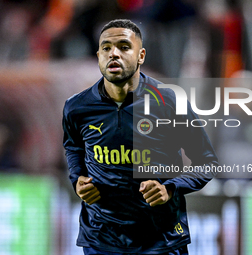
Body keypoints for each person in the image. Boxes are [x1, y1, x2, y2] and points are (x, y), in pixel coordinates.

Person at [63, 19, 218, 255]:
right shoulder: (76, 107)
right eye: (106, 48)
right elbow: (73, 147)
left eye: (124, 46)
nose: (113, 53)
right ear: (98, 55)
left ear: (141, 55)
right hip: (100, 239)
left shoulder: (169, 101)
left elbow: (207, 163)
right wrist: (78, 180)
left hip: (160, 241)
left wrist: (170, 188)